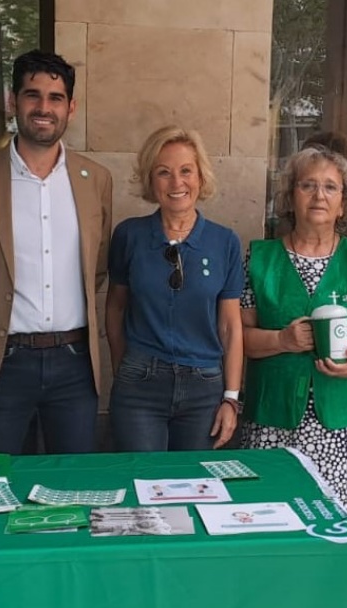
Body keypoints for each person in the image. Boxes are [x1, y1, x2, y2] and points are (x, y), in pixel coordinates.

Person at [0, 50, 113, 455]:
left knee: (72, 490)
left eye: (55, 98)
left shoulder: (97, 180)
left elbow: (98, 268)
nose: (43, 108)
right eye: (32, 95)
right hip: (1, 363)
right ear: (12, 101)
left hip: (75, 365)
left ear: (71, 108)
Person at [240, 146, 347, 527]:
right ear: (290, 197)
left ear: (344, 202)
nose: (319, 195)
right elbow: (237, 337)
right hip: (275, 419)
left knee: (343, 526)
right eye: (308, 185)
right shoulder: (259, 258)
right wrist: (282, 341)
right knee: (274, 520)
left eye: (331, 187)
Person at [105, 126, 244, 451]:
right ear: (151, 181)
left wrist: (231, 398)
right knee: (141, 483)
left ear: (201, 176)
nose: (177, 183)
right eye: (163, 172)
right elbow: (115, 307)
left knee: (194, 486)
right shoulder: (130, 236)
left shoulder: (224, 242)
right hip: (140, 383)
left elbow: (230, 325)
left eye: (186, 171)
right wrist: (122, 367)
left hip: (204, 386)